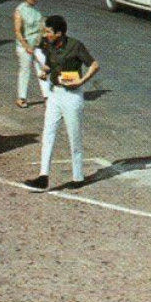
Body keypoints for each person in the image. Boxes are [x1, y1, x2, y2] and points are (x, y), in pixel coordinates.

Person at [24, 15, 98, 190]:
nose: (46, 34)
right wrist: (45, 71)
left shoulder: (75, 45)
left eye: (48, 31)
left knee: (74, 136)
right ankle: (43, 176)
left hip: (72, 96)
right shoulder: (48, 44)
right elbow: (50, 64)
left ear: (58, 33)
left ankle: (78, 177)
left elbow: (94, 65)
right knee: (48, 133)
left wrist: (82, 81)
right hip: (55, 94)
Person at [12, 0, 47, 108]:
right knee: (25, 70)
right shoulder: (19, 11)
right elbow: (17, 31)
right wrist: (26, 46)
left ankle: (47, 96)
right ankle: (22, 97)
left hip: (38, 45)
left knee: (43, 69)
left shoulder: (37, 11)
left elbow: (42, 28)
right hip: (24, 46)